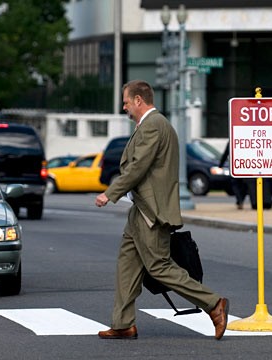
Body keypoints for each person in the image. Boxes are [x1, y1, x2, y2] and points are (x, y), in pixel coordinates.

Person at [94, 80, 229, 340]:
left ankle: (213, 304)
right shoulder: (148, 125)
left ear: (138, 100)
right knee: (127, 266)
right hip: (141, 209)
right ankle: (123, 324)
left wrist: (110, 194)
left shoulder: (154, 125)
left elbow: (137, 167)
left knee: (159, 266)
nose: (124, 108)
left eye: (126, 102)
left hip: (152, 212)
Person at [219, 141, 248, 210]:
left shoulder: (232, 142)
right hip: (242, 166)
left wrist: (220, 165)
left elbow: (225, 154)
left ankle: (239, 200)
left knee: (236, 185)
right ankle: (240, 200)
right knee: (241, 185)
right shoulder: (244, 141)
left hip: (236, 166)